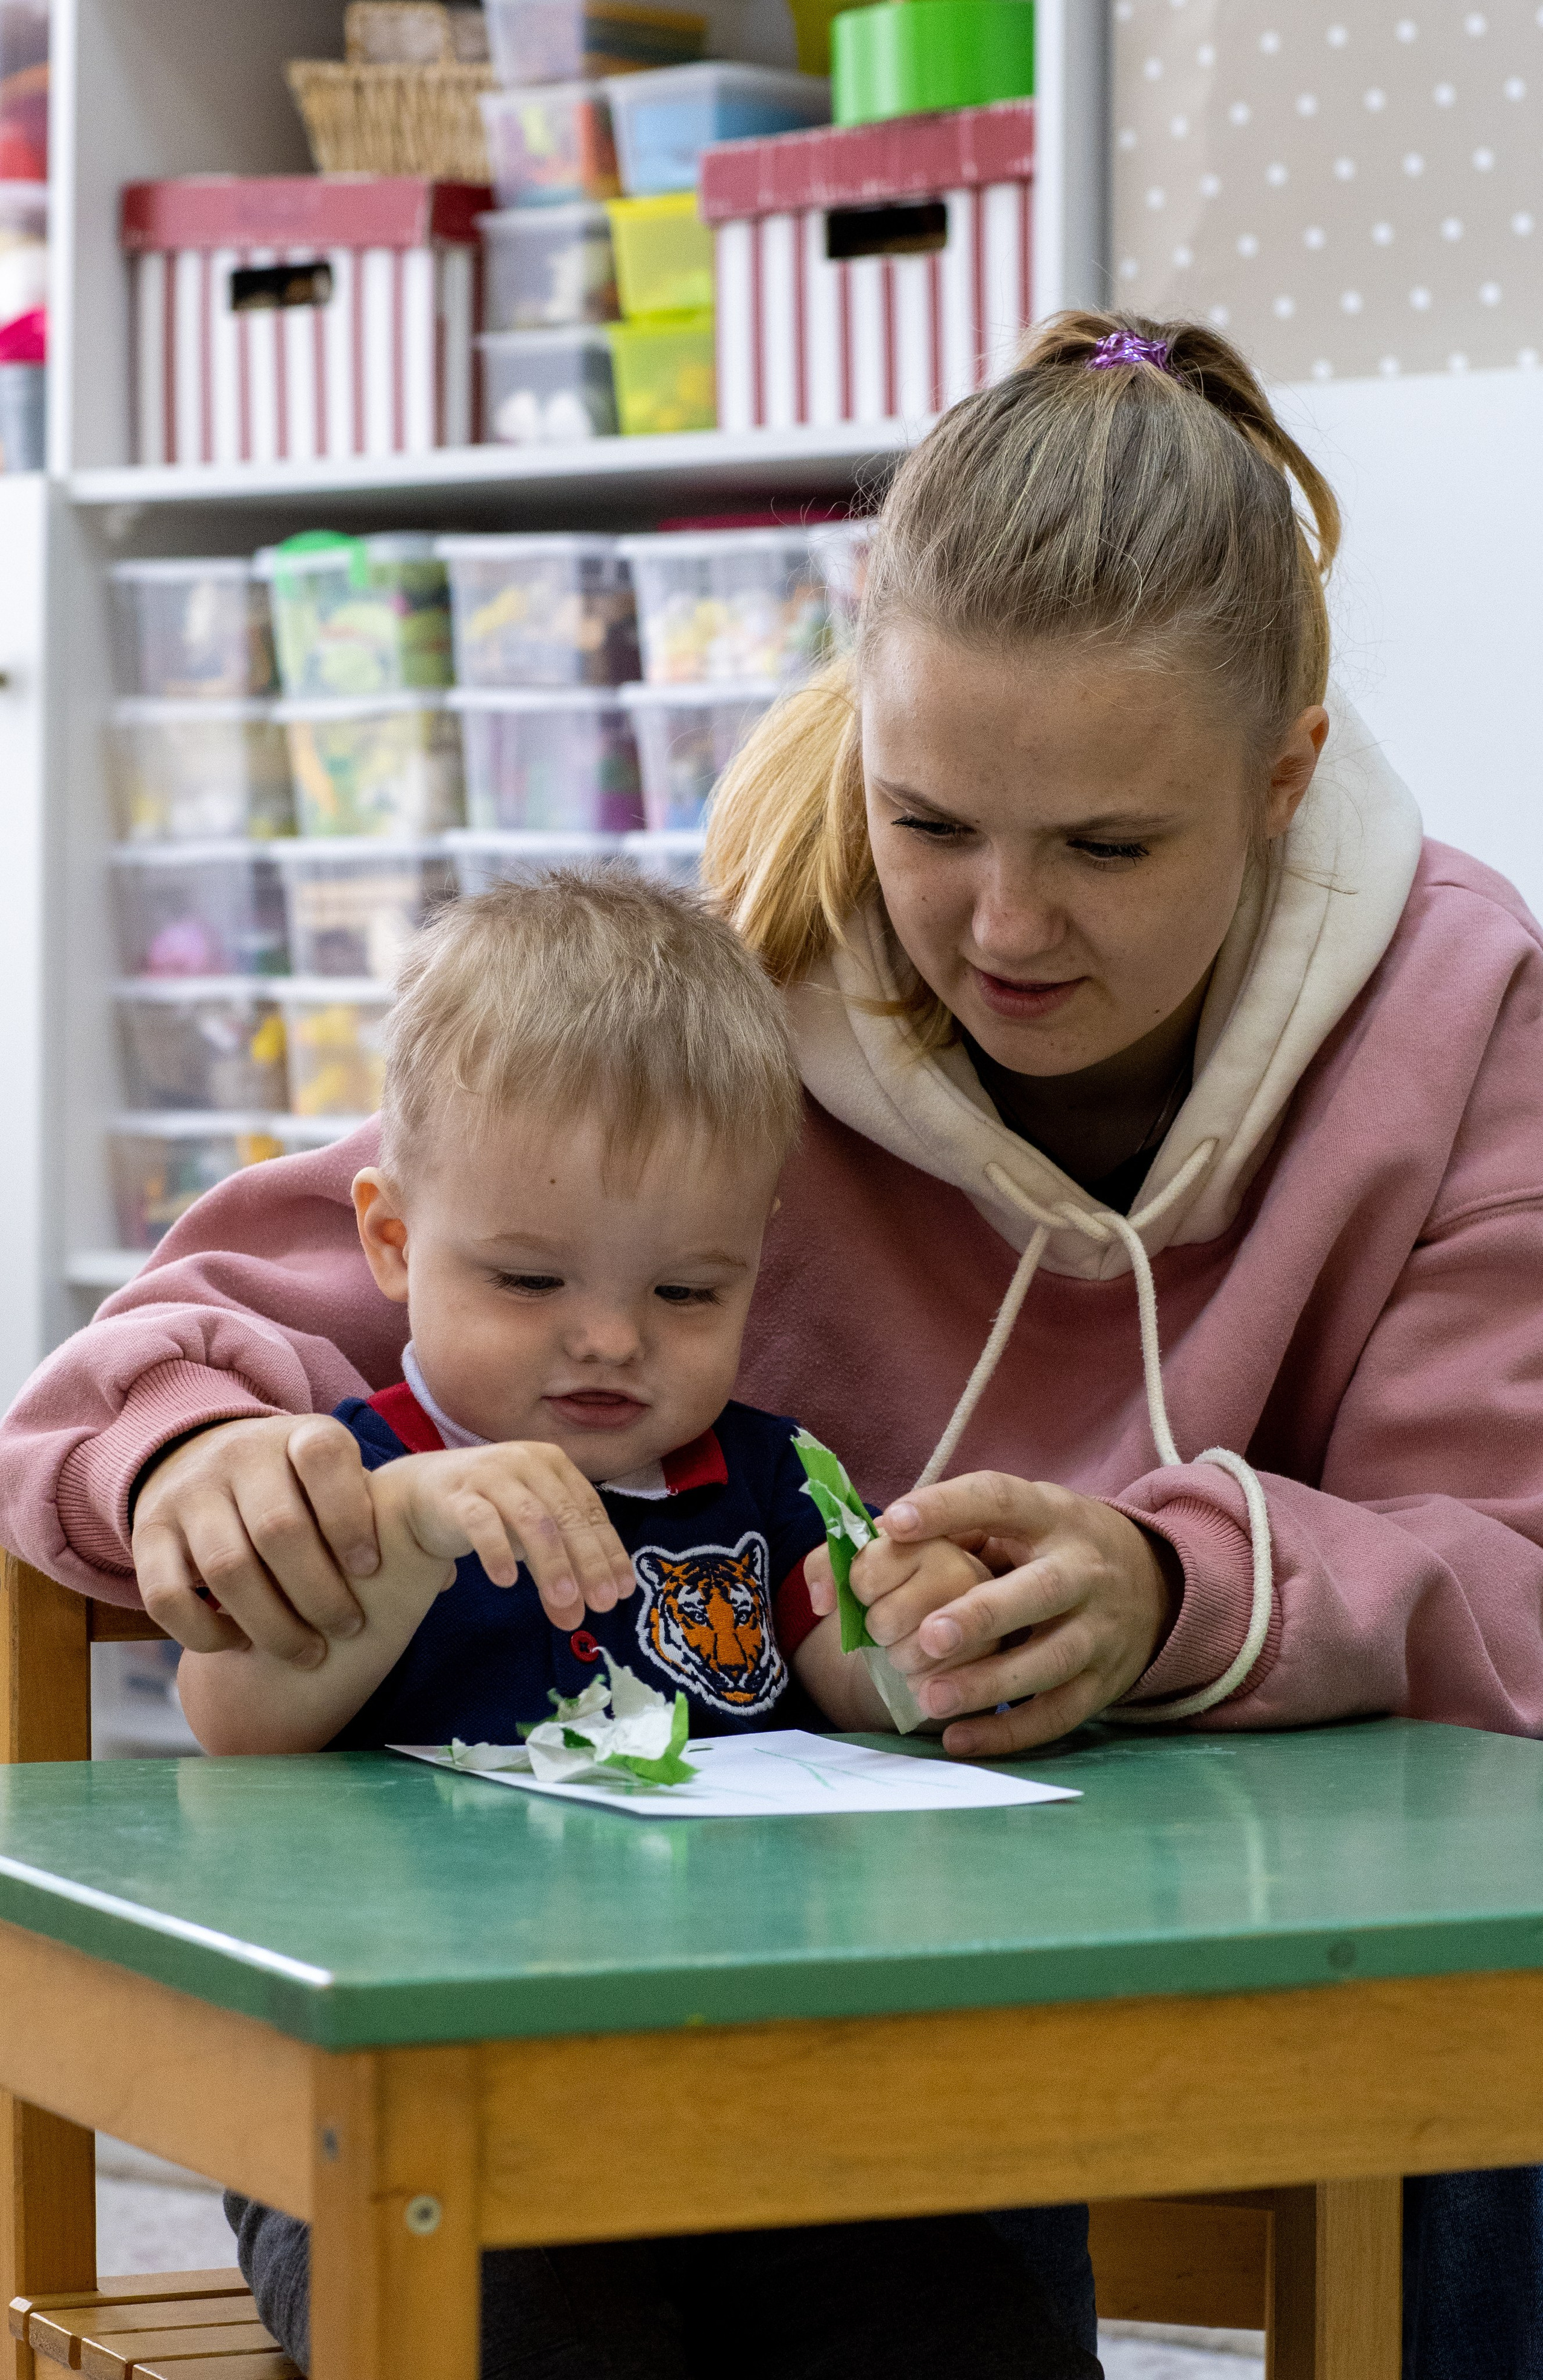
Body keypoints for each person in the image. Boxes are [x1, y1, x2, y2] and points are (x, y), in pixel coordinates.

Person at [2, 307, 1537, 2372]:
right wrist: (197, 1463)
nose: (1002, 927)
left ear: (1282, 775)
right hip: (660, 2014)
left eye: (1108, 846)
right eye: (930, 823)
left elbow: (1507, 1576)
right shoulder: (728, 1010)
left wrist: (1176, 1581)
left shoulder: (1464, 1035)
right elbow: (177, 1344)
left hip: (1106, 1993)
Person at [183, 867, 1097, 2380]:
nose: (609, 1336)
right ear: (394, 1241)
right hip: (395, 2123)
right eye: (528, 1278)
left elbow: (850, 1681)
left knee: (958, 2292)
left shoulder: (756, 1474)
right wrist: (402, 1538)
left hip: (736, 2106)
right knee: (516, 2329)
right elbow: (232, 1715)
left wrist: (916, 1634)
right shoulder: (357, 1477)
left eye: (686, 1288)